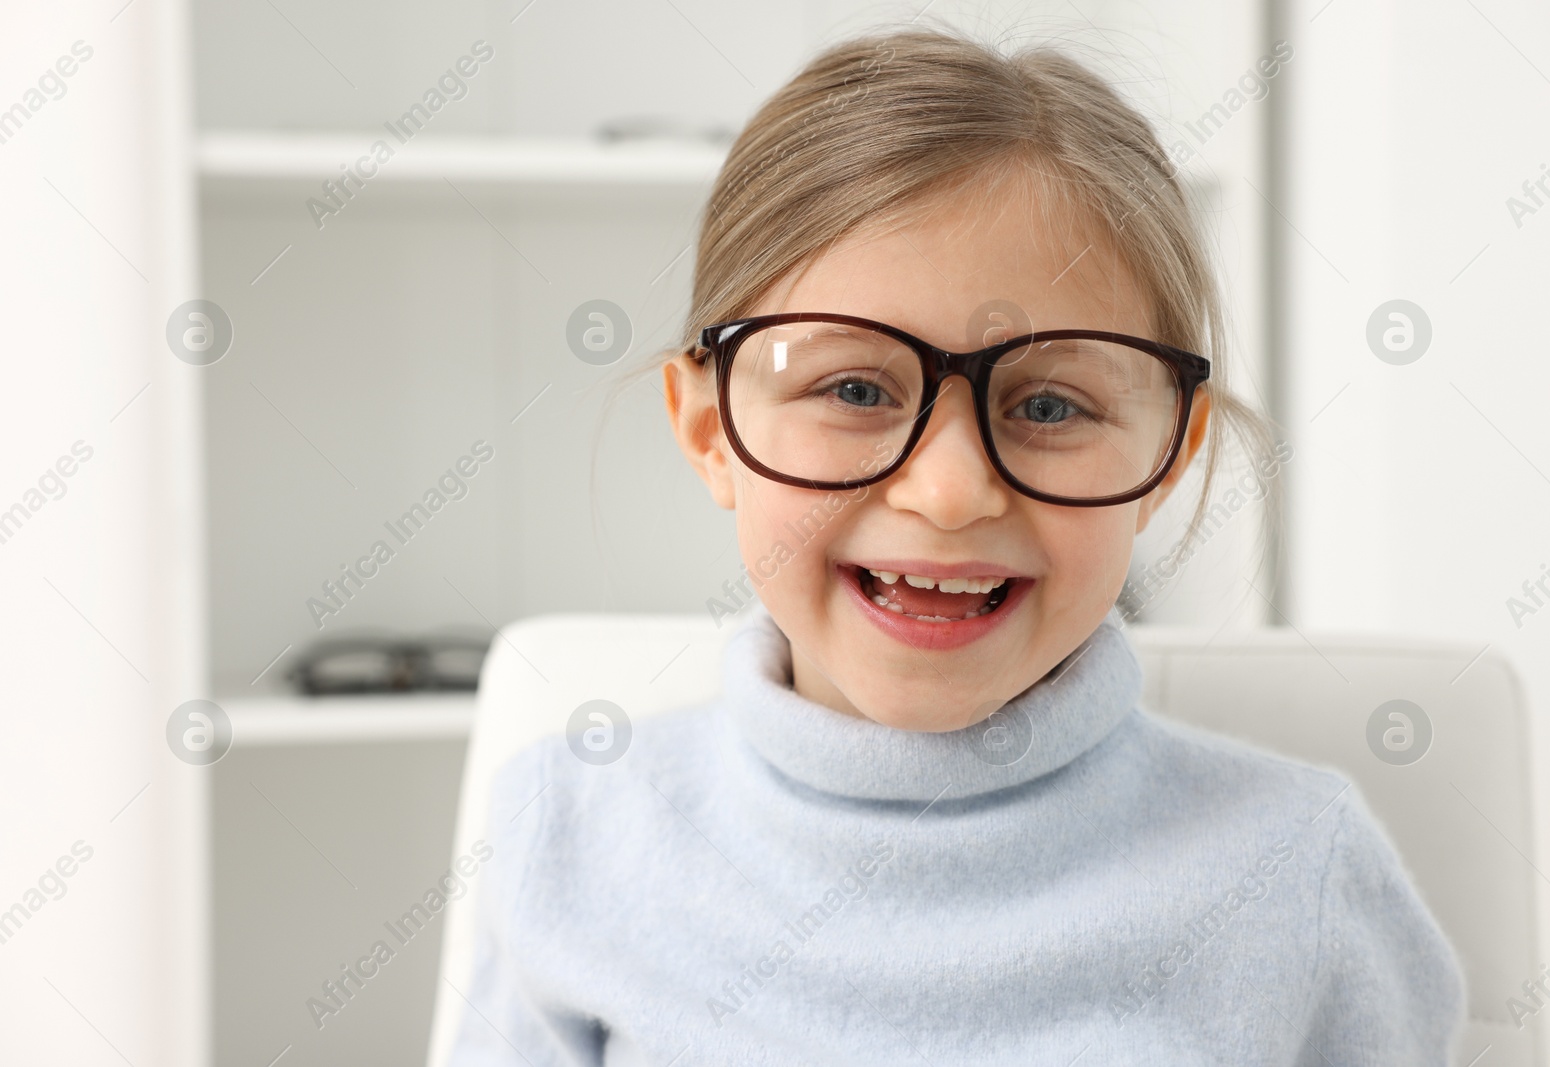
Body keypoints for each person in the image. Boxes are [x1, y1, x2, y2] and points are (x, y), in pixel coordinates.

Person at [451, 24, 1465, 1065]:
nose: (947, 491)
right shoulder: (565, 833)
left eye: (1051, 403)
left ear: (1167, 452)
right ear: (711, 430)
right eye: (852, 388)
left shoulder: (1298, 870)